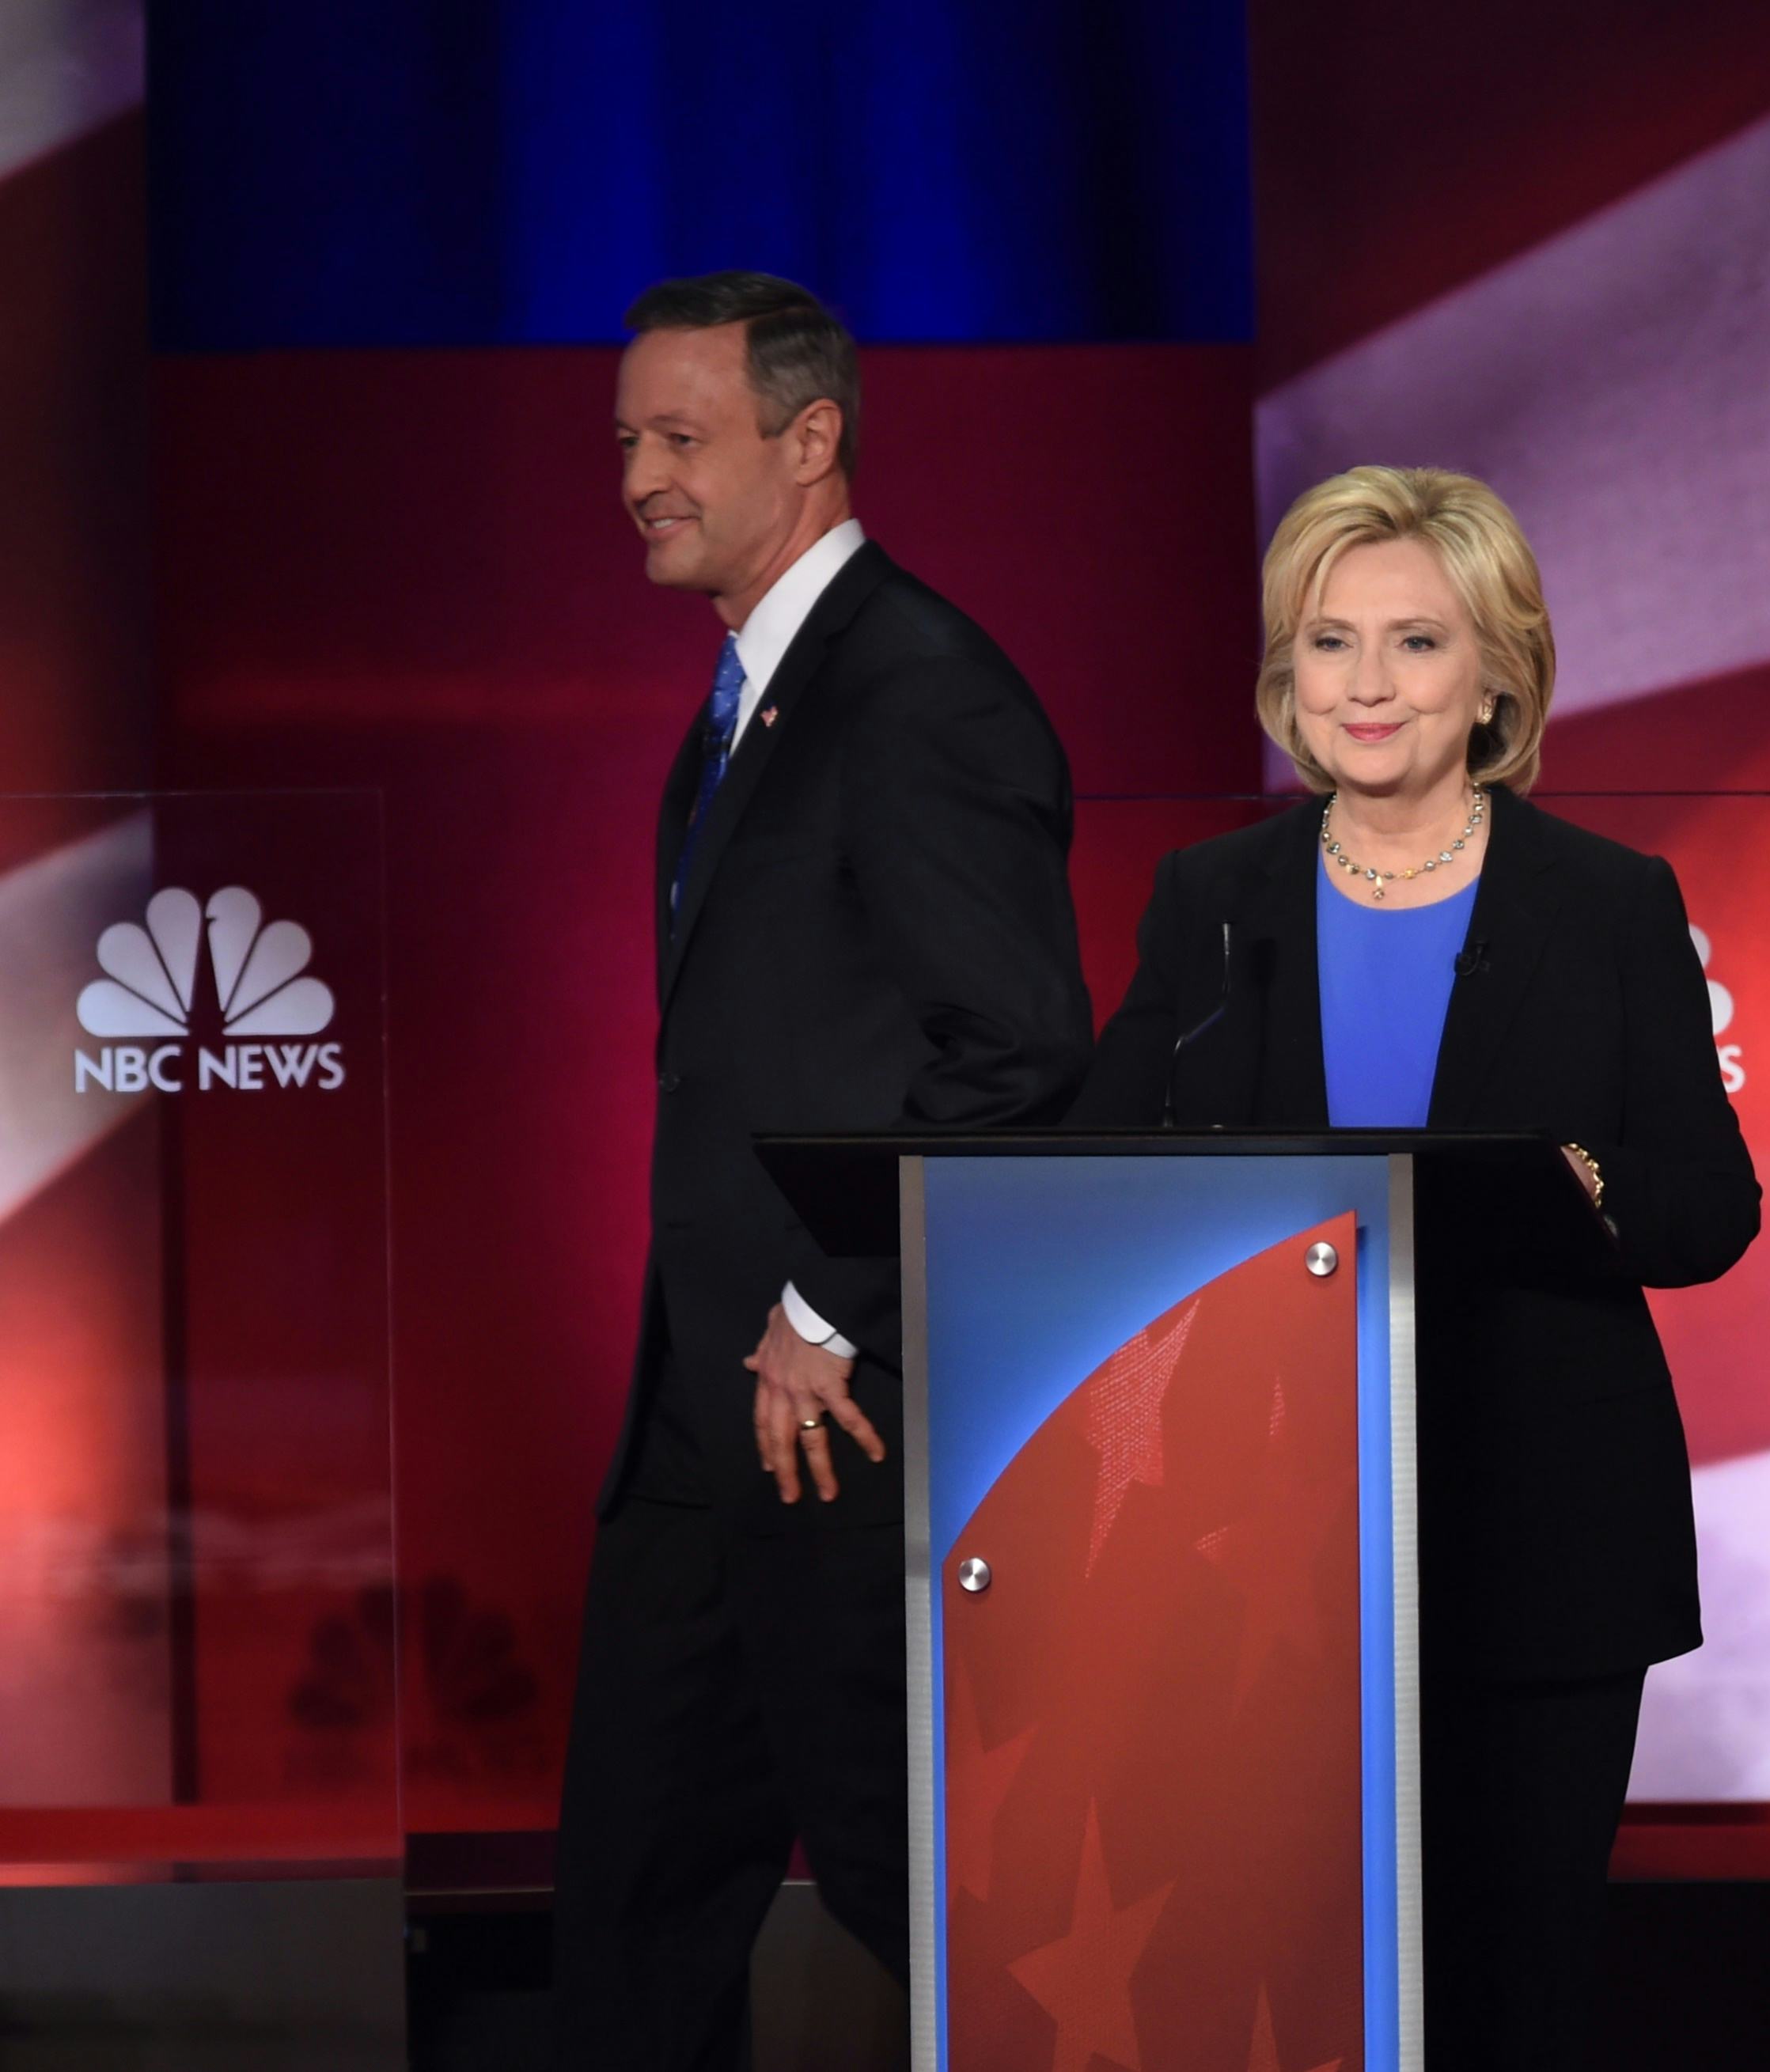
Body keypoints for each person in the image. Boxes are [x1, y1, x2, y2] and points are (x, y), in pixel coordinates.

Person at [1072, 464, 1758, 2066]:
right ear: (1286, 675)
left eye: (1415, 641)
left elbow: (1709, 1205)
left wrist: (1587, 1181)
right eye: (1329, 642)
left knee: (1511, 1988)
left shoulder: (1605, 903)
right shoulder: (1211, 900)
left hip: (1539, 1534)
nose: (1365, 684)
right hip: (1260, 1536)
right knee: (1293, 1989)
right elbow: (1093, 1168)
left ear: (1497, 676)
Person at [555, 272, 1090, 2068]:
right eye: (626, 439)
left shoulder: (918, 688)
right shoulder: (755, 700)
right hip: (704, 1407)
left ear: (809, 440)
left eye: (678, 436)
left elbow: (1018, 1049)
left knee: (922, 1880)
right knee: (633, 1900)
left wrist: (826, 1305)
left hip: (844, 1405)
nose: (639, 476)